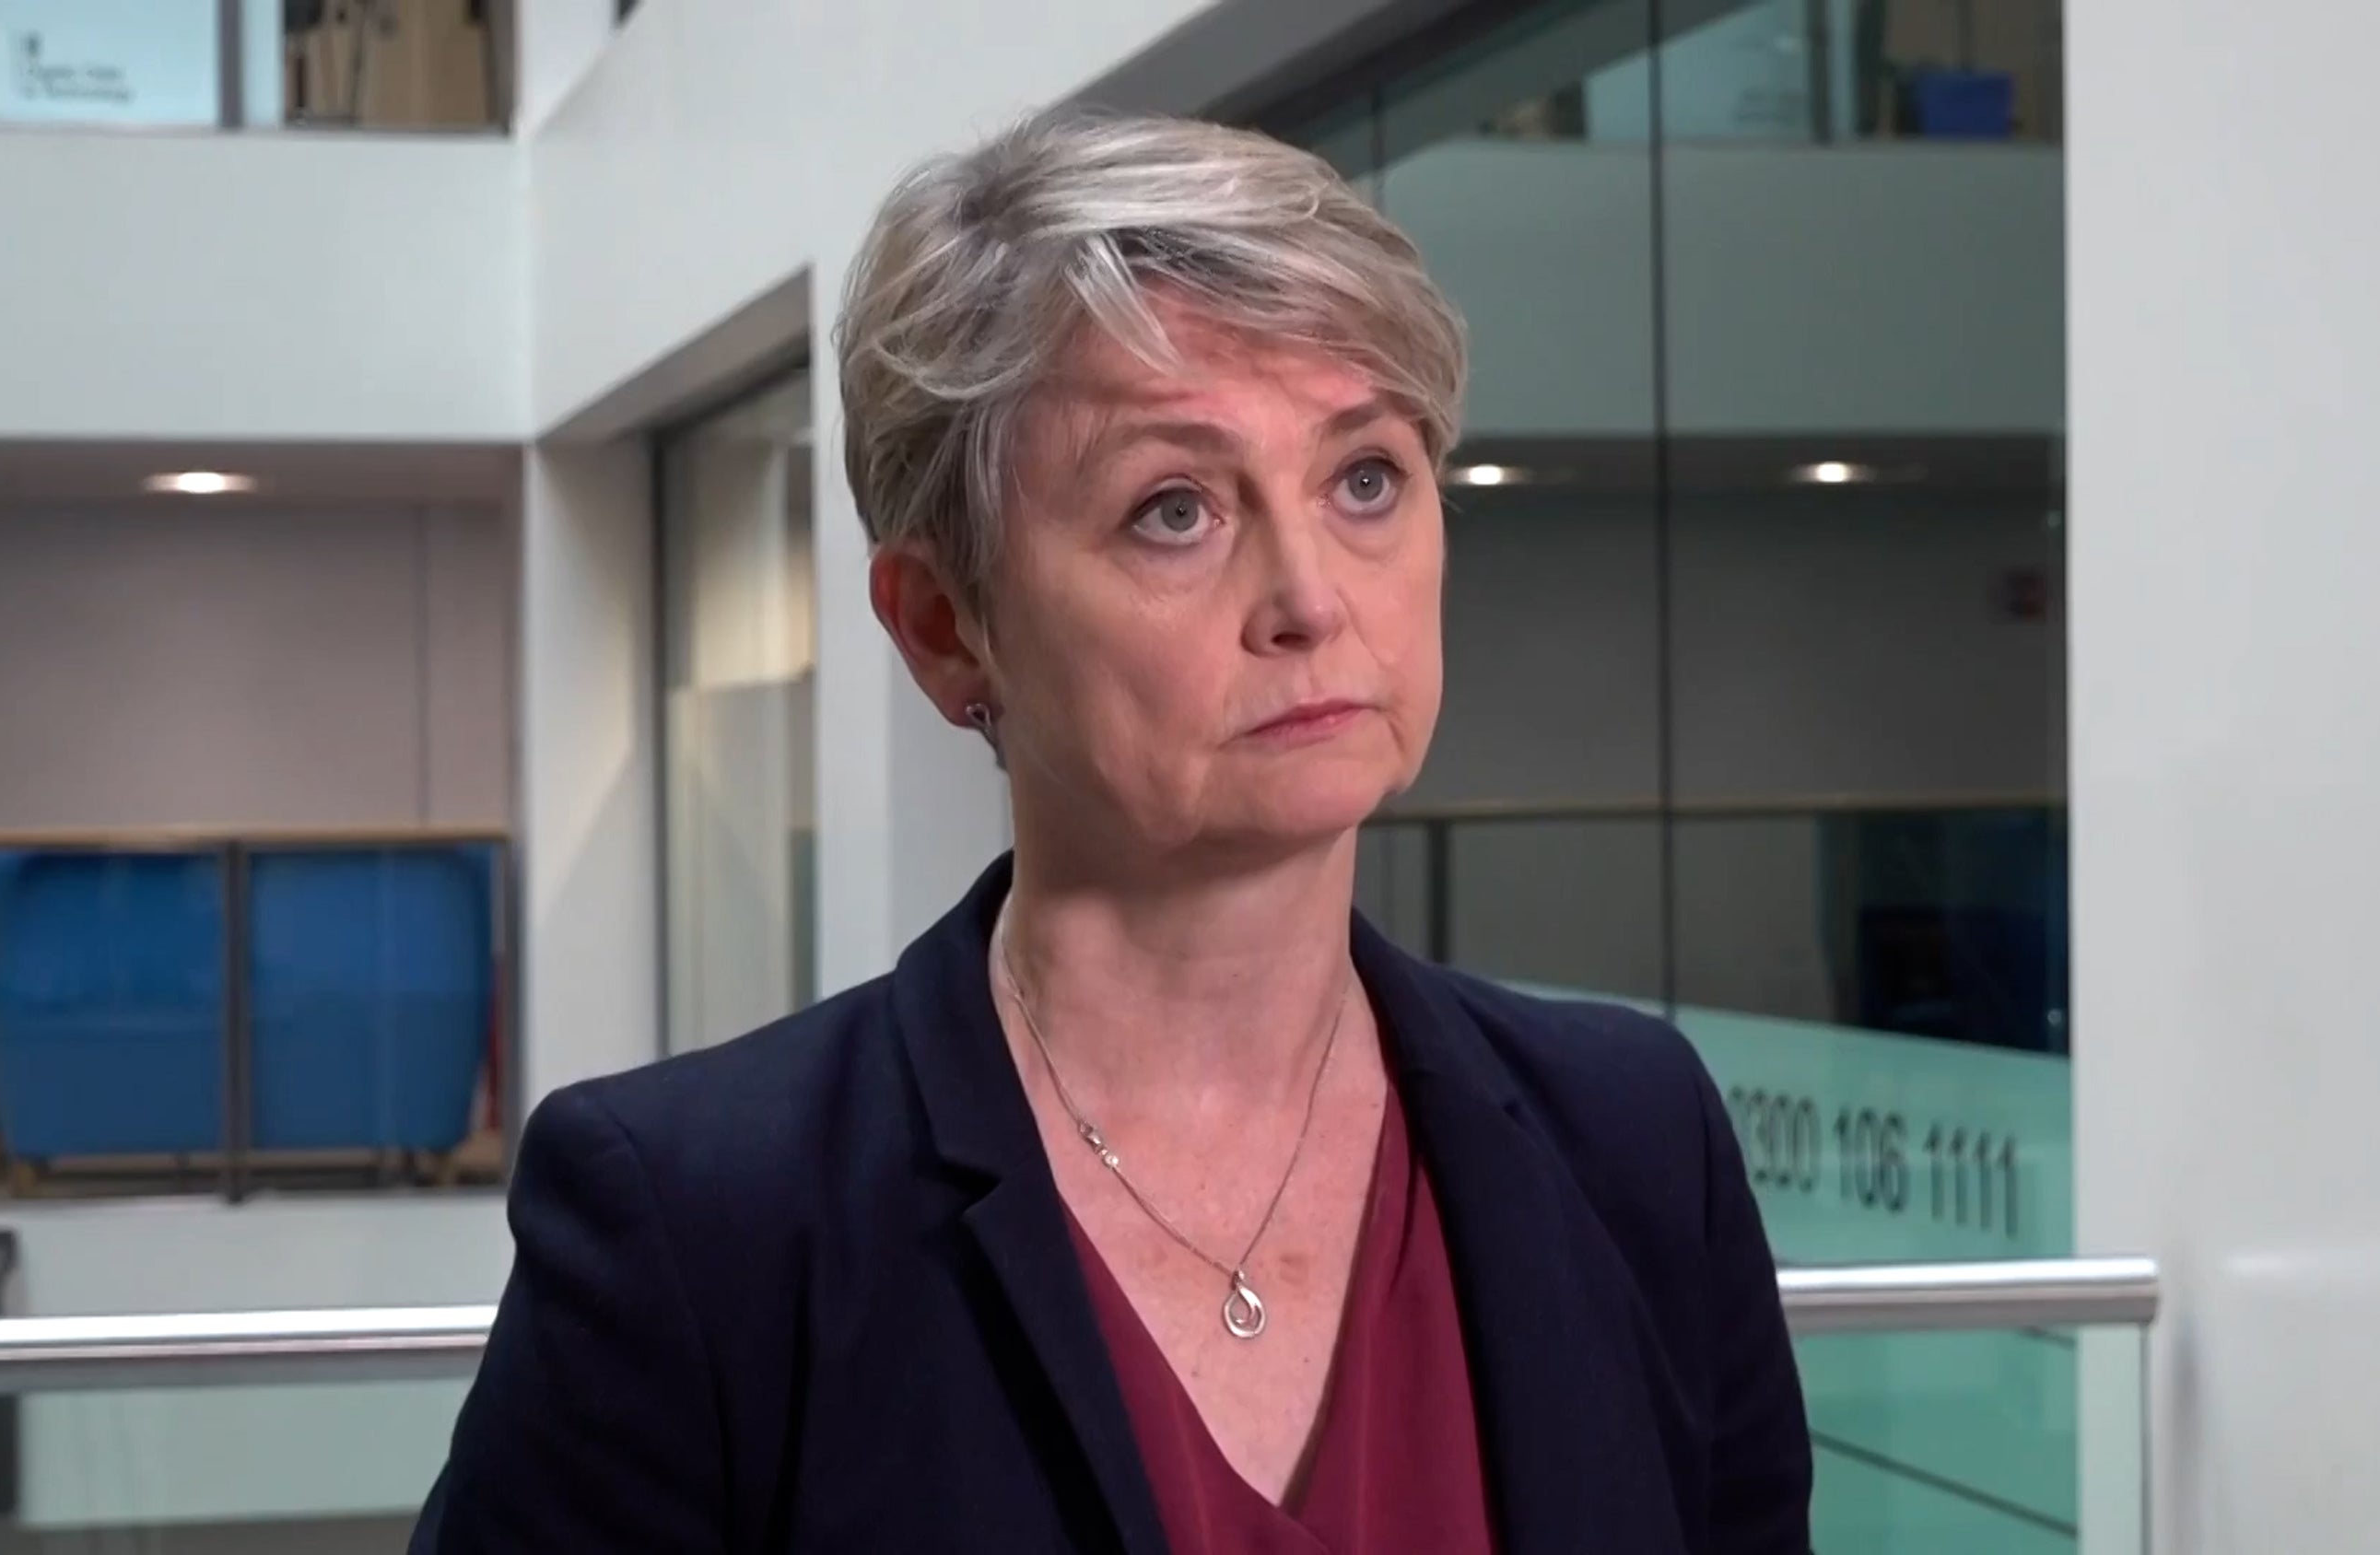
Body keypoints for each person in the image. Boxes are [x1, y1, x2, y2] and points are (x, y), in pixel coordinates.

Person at [413, 108, 1810, 1554]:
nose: (1312, 598)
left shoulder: (1636, 1135)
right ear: (950, 630)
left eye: (1367, 478)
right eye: (1175, 510)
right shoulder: (700, 1228)